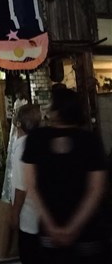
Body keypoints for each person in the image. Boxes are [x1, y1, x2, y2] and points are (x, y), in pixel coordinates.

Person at [22, 88, 112, 264]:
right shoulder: (90, 140)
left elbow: (30, 185)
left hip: (50, 236)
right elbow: (96, 190)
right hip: (88, 234)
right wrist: (73, 228)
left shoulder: (36, 139)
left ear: (56, 109)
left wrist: (51, 227)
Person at [10, 103, 41, 264]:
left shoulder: (21, 148)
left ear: (18, 124)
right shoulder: (41, 143)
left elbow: (21, 188)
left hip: (28, 218)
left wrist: (14, 214)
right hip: (44, 218)